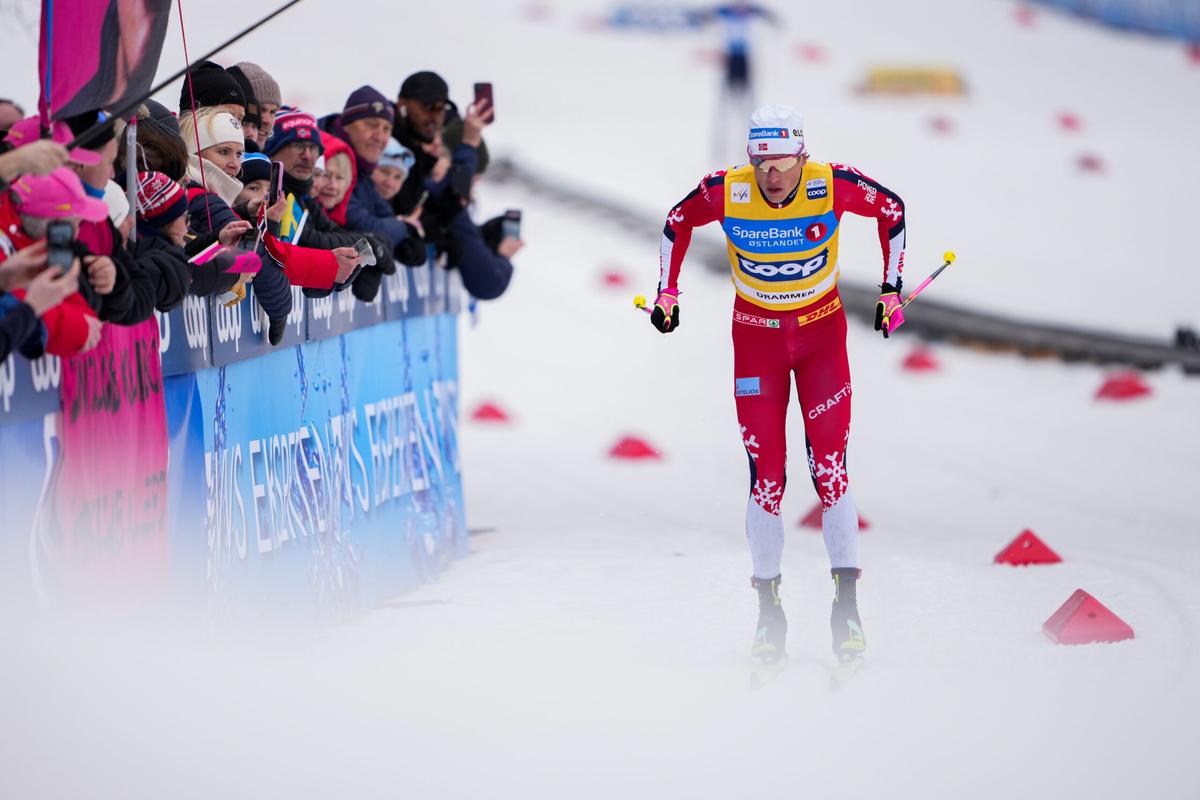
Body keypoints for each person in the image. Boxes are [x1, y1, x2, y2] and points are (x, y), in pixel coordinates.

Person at [653, 104, 907, 676]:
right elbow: (676, 221)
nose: (773, 177)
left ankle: (847, 609)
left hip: (821, 340)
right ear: (750, 159)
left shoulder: (829, 183)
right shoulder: (725, 190)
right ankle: (769, 614)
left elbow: (891, 209)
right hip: (757, 341)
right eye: (762, 163)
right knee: (767, 475)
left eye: (783, 164)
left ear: (802, 157)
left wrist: (891, 288)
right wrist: (667, 293)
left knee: (830, 469)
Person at [0, 168, 108, 356]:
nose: (76, 235)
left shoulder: (36, 247)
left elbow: (83, 312)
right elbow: (20, 309)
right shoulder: (11, 244)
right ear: (57, 225)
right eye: (76, 225)